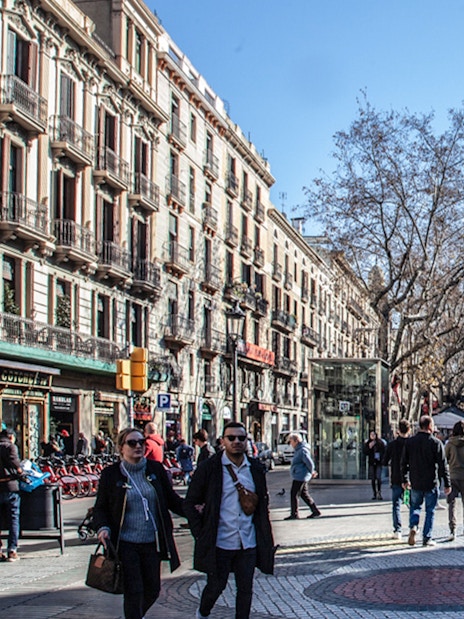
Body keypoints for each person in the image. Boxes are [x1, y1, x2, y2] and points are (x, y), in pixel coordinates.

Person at [184, 421, 275, 619]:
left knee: (245, 589)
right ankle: (203, 613)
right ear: (223, 441)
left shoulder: (255, 469)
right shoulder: (210, 468)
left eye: (241, 438)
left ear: (246, 441)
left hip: (247, 541)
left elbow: (262, 505)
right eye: (231, 438)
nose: (236, 442)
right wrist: (200, 533)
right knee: (216, 585)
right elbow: (190, 503)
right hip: (220, 541)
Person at [93, 427, 184, 619]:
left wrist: (196, 512)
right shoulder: (111, 474)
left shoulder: (155, 469)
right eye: (132, 443)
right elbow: (100, 507)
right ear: (121, 448)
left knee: (152, 589)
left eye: (141, 442)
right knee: (134, 591)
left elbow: (171, 499)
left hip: (152, 542)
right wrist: (103, 528)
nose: (138, 446)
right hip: (125, 544)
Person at [401, 415, 451, 547]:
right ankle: (426, 537)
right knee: (430, 510)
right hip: (431, 482)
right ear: (430, 426)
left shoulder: (410, 442)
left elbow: (403, 463)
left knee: (415, 506)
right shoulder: (435, 443)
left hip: (415, 481)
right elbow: (442, 465)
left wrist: (405, 479)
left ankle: (414, 526)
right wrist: (447, 483)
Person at [383, 418, 411, 539]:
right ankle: (413, 526)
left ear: (398, 430)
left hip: (396, 477)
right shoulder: (412, 444)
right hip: (411, 477)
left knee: (396, 504)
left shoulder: (392, 445)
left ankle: (397, 530)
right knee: (413, 504)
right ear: (409, 430)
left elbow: (384, 461)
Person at [284, 432, 321, 520]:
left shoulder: (302, 450)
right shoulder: (298, 450)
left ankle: (294, 514)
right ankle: (315, 511)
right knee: (304, 494)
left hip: (301, 476)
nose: (290, 444)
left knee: (294, 494)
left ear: (296, 441)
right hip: (299, 475)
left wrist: (312, 471)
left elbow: (309, 463)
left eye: (291, 441)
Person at [0, 429, 23, 562]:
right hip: (10, 486)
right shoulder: (10, 447)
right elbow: (16, 464)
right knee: (13, 518)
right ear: (10, 437)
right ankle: (12, 550)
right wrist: (20, 471)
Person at [444, 419, 464, 541]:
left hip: (453, 476)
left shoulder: (449, 444)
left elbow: (445, 459)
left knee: (451, 504)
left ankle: (453, 530)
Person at [363, 430, 386, 500]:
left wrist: (382, 459)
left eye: (374, 435)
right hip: (372, 462)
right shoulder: (368, 443)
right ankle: (374, 493)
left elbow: (384, 451)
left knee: (378, 478)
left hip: (378, 462)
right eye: (371, 435)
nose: (372, 436)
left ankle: (379, 492)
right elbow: (365, 452)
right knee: (373, 479)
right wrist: (369, 447)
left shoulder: (380, 443)